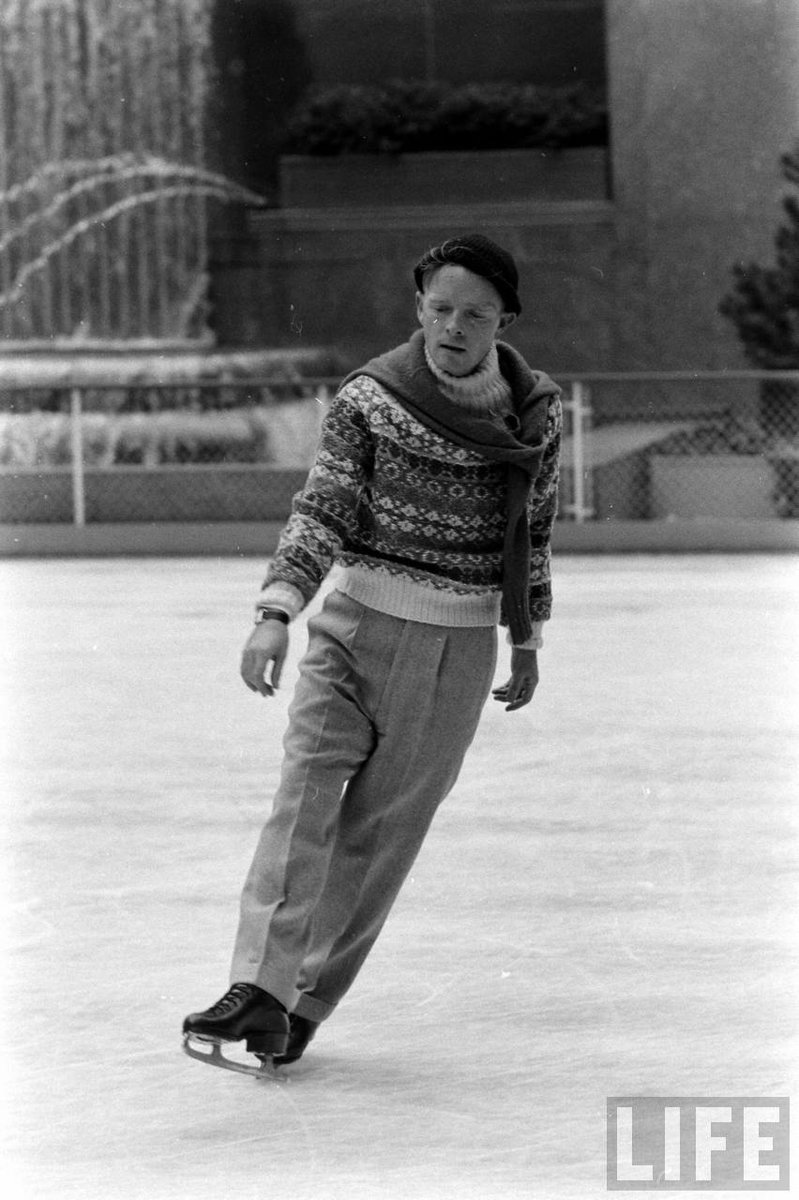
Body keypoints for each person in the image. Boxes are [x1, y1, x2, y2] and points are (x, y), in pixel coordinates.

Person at [182, 233, 562, 1075]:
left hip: (454, 648)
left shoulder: (534, 413)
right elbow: (323, 506)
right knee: (303, 804)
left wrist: (525, 637)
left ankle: (302, 1004)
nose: (451, 328)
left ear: (504, 319)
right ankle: (255, 988)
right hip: (350, 630)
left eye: (473, 314)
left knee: (378, 837)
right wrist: (277, 609)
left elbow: (529, 534)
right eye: (438, 309)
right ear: (417, 308)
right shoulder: (371, 398)